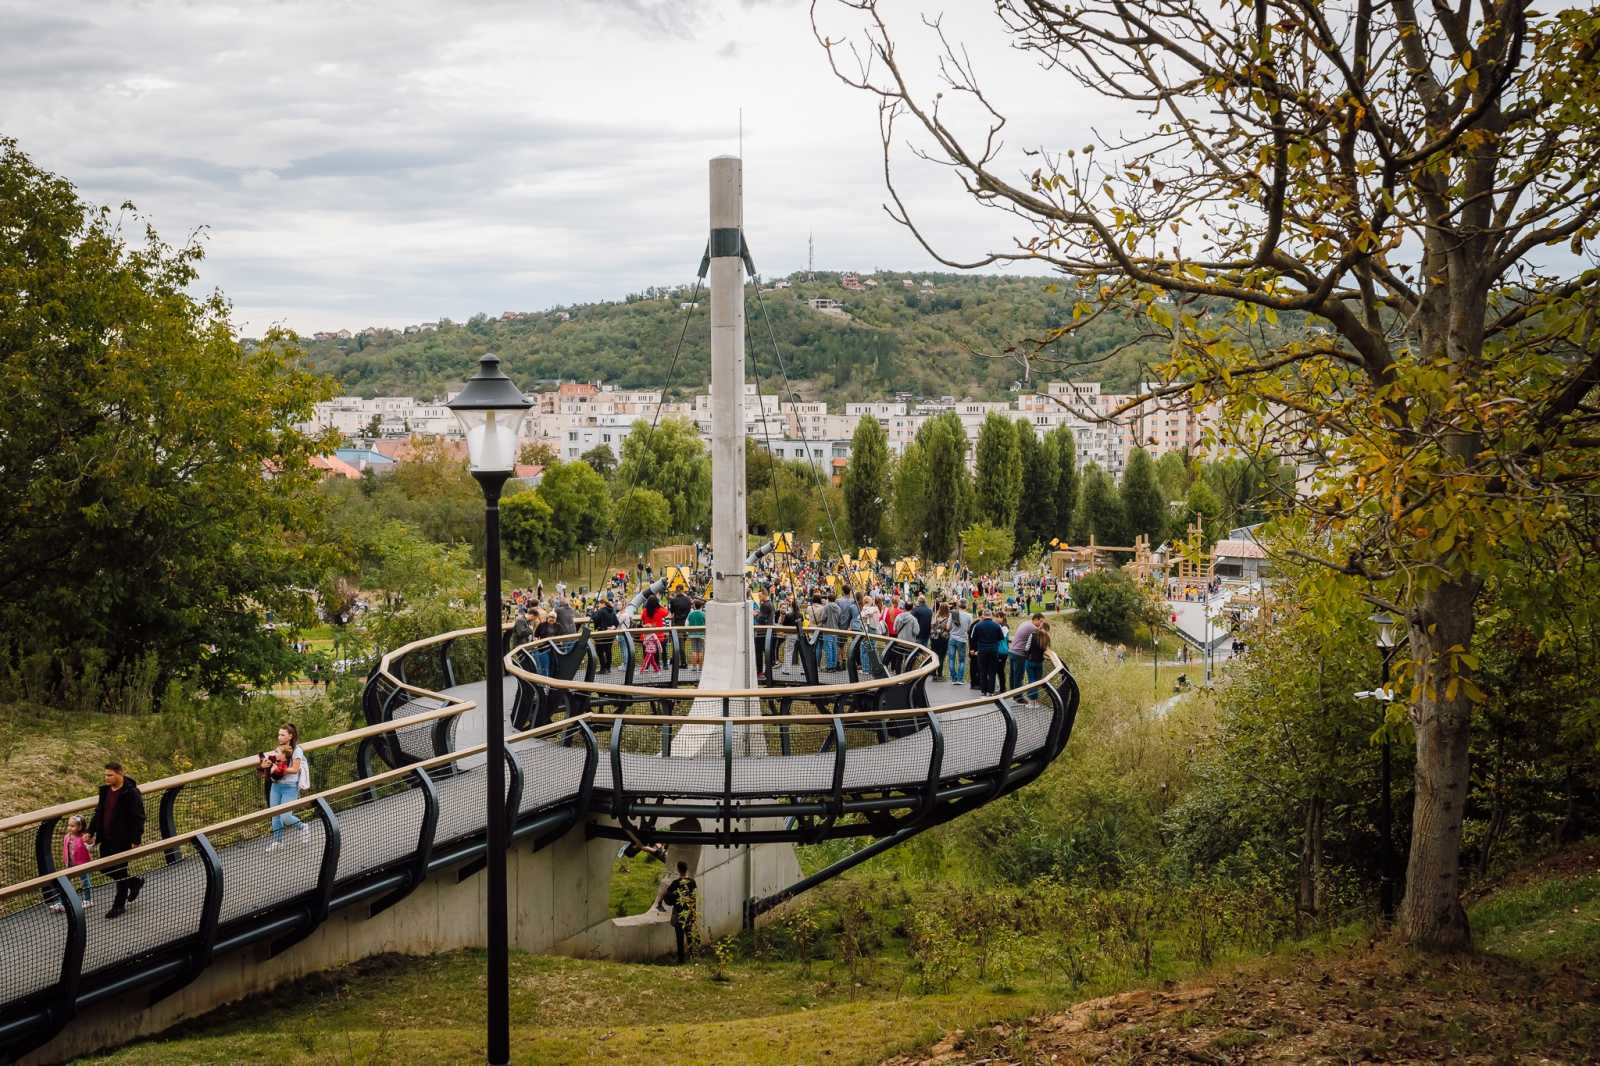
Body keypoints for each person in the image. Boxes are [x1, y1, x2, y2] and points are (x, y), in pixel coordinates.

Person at [87, 761, 146, 920]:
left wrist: (136, 838)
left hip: (123, 838)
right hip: (106, 837)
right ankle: (134, 882)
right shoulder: (105, 791)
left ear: (120, 774)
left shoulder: (131, 793)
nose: (106, 778)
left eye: (110, 775)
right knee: (105, 868)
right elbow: (99, 812)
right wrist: (91, 831)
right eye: (105, 775)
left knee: (119, 869)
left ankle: (118, 906)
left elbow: (138, 816)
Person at [258, 724, 311, 850]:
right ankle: (278, 841)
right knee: (275, 815)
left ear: (290, 736)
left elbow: (295, 769)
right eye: (279, 734)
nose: (279, 737)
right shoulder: (279, 749)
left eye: (282, 734)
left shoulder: (297, 750)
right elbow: (272, 762)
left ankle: (303, 827)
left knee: (286, 817)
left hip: (290, 787)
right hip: (276, 786)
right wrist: (266, 765)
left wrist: (278, 770)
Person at [656, 860, 698, 963]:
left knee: (679, 937)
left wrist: (660, 903)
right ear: (686, 869)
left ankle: (681, 960)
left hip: (679, 913)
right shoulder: (692, 882)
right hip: (689, 912)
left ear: (679, 870)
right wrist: (694, 913)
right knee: (689, 936)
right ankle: (693, 957)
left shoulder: (675, 883)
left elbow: (666, 893)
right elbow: (694, 898)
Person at [52, 815, 94, 912]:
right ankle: (61, 903)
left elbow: (90, 845)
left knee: (85, 882)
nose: (69, 828)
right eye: (69, 825)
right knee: (64, 883)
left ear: (79, 827)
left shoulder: (83, 837)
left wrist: (89, 841)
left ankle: (88, 900)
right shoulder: (67, 837)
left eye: (72, 826)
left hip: (82, 864)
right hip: (70, 865)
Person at [969, 610, 1005, 696]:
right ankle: (991, 691)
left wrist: (973, 649)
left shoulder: (978, 625)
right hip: (993, 650)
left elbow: (973, 639)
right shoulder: (996, 626)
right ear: (991, 615)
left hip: (982, 650)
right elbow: (1001, 638)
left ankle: (983, 691)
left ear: (984, 615)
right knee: (992, 671)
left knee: (983, 671)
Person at [1009, 613, 1042, 692]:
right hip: (1019, 653)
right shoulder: (1033, 627)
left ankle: (1011, 693)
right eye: (1040, 621)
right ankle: (1018, 697)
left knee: (1013, 674)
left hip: (1012, 650)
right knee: (1019, 676)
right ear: (1036, 619)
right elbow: (1043, 636)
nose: (1041, 624)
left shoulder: (1025, 623)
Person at [590, 595, 619, 673]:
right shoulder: (612, 610)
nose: (599, 605)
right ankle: (608, 668)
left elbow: (594, 618)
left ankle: (603, 668)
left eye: (599, 603)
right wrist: (613, 627)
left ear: (603, 603)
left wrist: (594, 611)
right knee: (608, 651)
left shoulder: (601, 611)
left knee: (599, 651)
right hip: (610, 635)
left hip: (602, 635)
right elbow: (616, 622)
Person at [1025, 620, 1051, 702]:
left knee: (1032, 681)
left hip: (1030, 661)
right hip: (1040, 662)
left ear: (1040, 627)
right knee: (1037, 681)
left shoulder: (1033, 635)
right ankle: (1036, 701)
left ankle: (1032, 701)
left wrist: (1027, 655)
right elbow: (1046, 649)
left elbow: (1027, 648)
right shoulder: (1047, 637)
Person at [947, 602, 971, 685]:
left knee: (951, 659)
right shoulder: (969, 616)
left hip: (952, 638)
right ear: (966, 606)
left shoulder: (953, 614)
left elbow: (947, 627)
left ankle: (954, 678)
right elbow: (969, 629)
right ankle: (960, 679)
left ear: (958, 605)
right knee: (961, 660)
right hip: (962, 639)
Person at [930, 602, 951, 681]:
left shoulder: (935, 616)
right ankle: (940, 673)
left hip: (934, 638)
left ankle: (934, 673)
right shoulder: (948, 618)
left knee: (934, 655)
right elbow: (948, 628)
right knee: (942, 656)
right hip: (943, 638)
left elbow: (931, 626)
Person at [685, 598, 706, 668]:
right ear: (701, 606)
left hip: (692, 635)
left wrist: (688, 632)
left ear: (694, 606)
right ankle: (700, 667)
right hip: (702, 635)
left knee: (694, 650)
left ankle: (694, 667)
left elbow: (686, 624)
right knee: (701, 651)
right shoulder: (703, 614)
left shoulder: (690, 614)